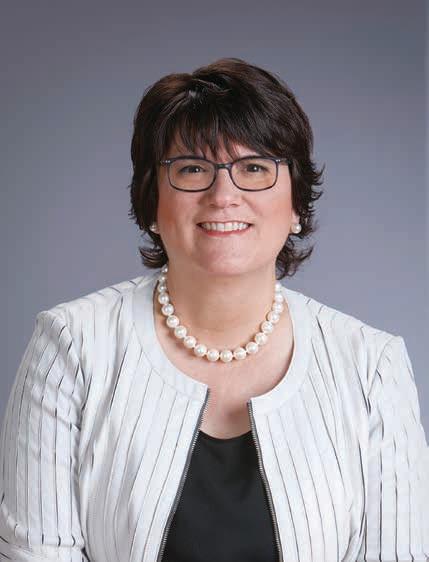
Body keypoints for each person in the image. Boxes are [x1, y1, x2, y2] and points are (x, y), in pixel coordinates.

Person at [0, 57, 428, 562]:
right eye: (192, 169)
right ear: (152, 201)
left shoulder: (371, 367)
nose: (224, 196)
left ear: (296, 204)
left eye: (254, 168)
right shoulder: (70, 346)